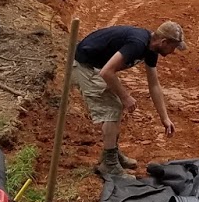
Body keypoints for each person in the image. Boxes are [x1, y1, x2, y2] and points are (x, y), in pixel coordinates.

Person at [73, 20, 185, 179]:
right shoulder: (138, 43)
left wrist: (165, 118)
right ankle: (109, 164)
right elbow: (107, 72)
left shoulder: (151, 48)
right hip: (86, 65)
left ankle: (111, 154)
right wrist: (125, 97)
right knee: (112, 108)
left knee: (115, 106)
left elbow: (154, 85)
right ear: (164, 42)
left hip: (97, 66)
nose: (173, 52)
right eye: (173, 47)